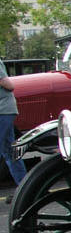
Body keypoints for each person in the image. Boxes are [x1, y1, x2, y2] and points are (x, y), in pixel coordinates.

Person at [0, 57, 26, 187]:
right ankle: (24, 187)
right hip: (6, 110)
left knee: (8, 152)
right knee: (10, 153)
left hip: (3, 110)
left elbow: (9, 85)